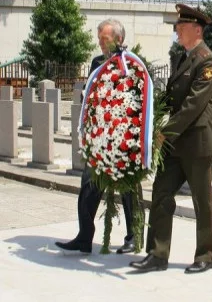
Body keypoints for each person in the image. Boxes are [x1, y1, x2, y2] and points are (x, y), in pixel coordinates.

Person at [129, 3, 212, 274]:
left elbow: (193, 105)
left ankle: (206, 254)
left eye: (181, 28)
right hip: (175, 143)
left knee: (202, 201)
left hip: (197, 143)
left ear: (196, 29)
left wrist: (163, 134)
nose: (177, 33)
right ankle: (157, 254)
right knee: (161, 194)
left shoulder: (208, 61)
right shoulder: (183, 58)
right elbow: (172, 100)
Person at [55, 18, 144, 254]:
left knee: (129, 189)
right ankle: (84, 237)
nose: (100, 44)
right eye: (99, 39)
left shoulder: (133, 63)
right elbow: (90, 94)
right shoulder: (97, 62)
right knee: (88, 186)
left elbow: (143, 99)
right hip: (100, 138)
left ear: (119, 39)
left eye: (104, 39)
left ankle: (134, 236)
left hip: (125, 138)